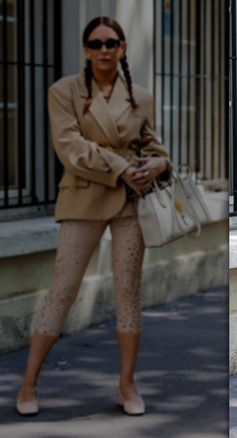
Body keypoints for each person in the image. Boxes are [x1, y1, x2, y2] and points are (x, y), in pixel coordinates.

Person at [16, 16, 170, 416]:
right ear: (86, 49)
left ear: (122, 48)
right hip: (83, 199)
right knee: (63, 290)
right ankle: (28, 384)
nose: (105, 49)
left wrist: (154, 165)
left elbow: (156, 148)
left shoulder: (140, 95)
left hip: (130, 203)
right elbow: (69, 147)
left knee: (128, 293)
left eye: (112, 42)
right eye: (97, 43)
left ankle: (127, 385)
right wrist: (122, 168)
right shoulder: (62, 91)